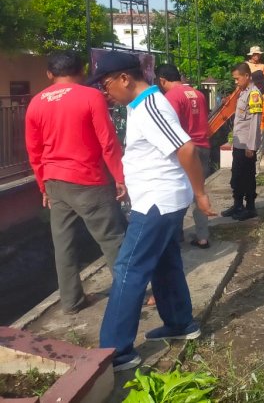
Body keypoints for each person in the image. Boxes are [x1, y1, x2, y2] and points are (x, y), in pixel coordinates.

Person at [89, 51, 216, 372]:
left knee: (129, 270)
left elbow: (186, 148)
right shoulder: (139, 106)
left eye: (106, 86)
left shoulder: (150, 106)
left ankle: (115, 352)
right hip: (159, 199)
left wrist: (201, 193)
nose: (106, 93)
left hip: (157, 203)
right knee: (165, 263)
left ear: (124, 79)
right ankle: (180, 323)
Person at [24, 51, 127, 315]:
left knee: (64, 244)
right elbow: (107, 141)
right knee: (113, 238)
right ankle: (131, 294)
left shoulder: (36, 102)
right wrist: (119, 176)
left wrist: (42, 186)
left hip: (54, 181)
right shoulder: (91, 96)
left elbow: (33, 150)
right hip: (88, 180)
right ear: (81, 71)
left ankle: (71, 302)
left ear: (49, 74)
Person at [155, 64, 212, 249]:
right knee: (199, 191)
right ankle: (203, 236)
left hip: (184, 150)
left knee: (177, 192)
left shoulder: (171, 97)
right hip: (203, 146)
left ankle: (176, 235)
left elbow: (171, 127)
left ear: (162, 80)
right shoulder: (198, 94)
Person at [221, 63, 263, 221]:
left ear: (246, 76)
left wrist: (251, 146)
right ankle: (237, 204)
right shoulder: (242, 92)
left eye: (237, 78)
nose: (236, 81)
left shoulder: (254, 94)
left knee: (248, 176)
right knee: (237, 175)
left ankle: (250, 207)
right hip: (239, 143)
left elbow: (255, 121)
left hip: (247, 144)